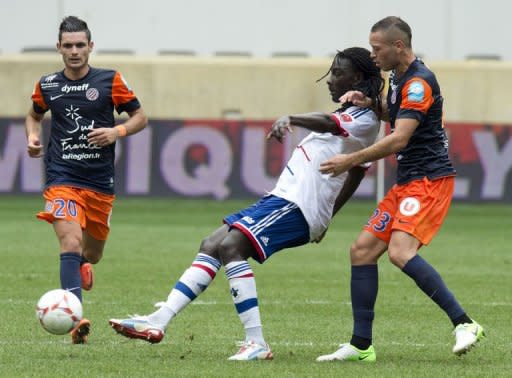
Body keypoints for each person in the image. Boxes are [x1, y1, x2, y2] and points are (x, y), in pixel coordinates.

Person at [109, 47, 383, 360]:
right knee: (212, 242)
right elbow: (358, 171)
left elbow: (329, 125)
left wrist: (292, 118)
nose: (330, 80)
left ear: (357, 78)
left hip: (298, 206)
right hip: (283, 199)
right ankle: (158, 320)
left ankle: (256, 343)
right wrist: (330, 216)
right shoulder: (356, 115)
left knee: (232, 248)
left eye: (337, 73)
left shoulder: (364, 118)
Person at [316, 16, 484, 362]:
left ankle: (464, 323)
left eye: (376, 49)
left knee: (400, 252)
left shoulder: (419, 83)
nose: (372, 55)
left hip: (428, 182)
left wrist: (350, 161)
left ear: (398, 46)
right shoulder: (398, 79)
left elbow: (400, 138)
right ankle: (361, 345)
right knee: (361, 250)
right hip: (408, 182)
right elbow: (395, 116)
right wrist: (370, 105)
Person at [25, 16, 148, 344]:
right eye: (68, 45)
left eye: (80, 45)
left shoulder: (110, 80)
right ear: (59, 48)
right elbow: (34, 115)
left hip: (99, 183)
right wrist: (33, 138)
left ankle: (82, 265)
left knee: (91, 253)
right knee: (69, 242)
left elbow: (140, 117)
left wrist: (116, 131)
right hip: (61, 177)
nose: (75, 51)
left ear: (90, 46)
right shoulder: (48, 84)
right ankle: (75, 319)